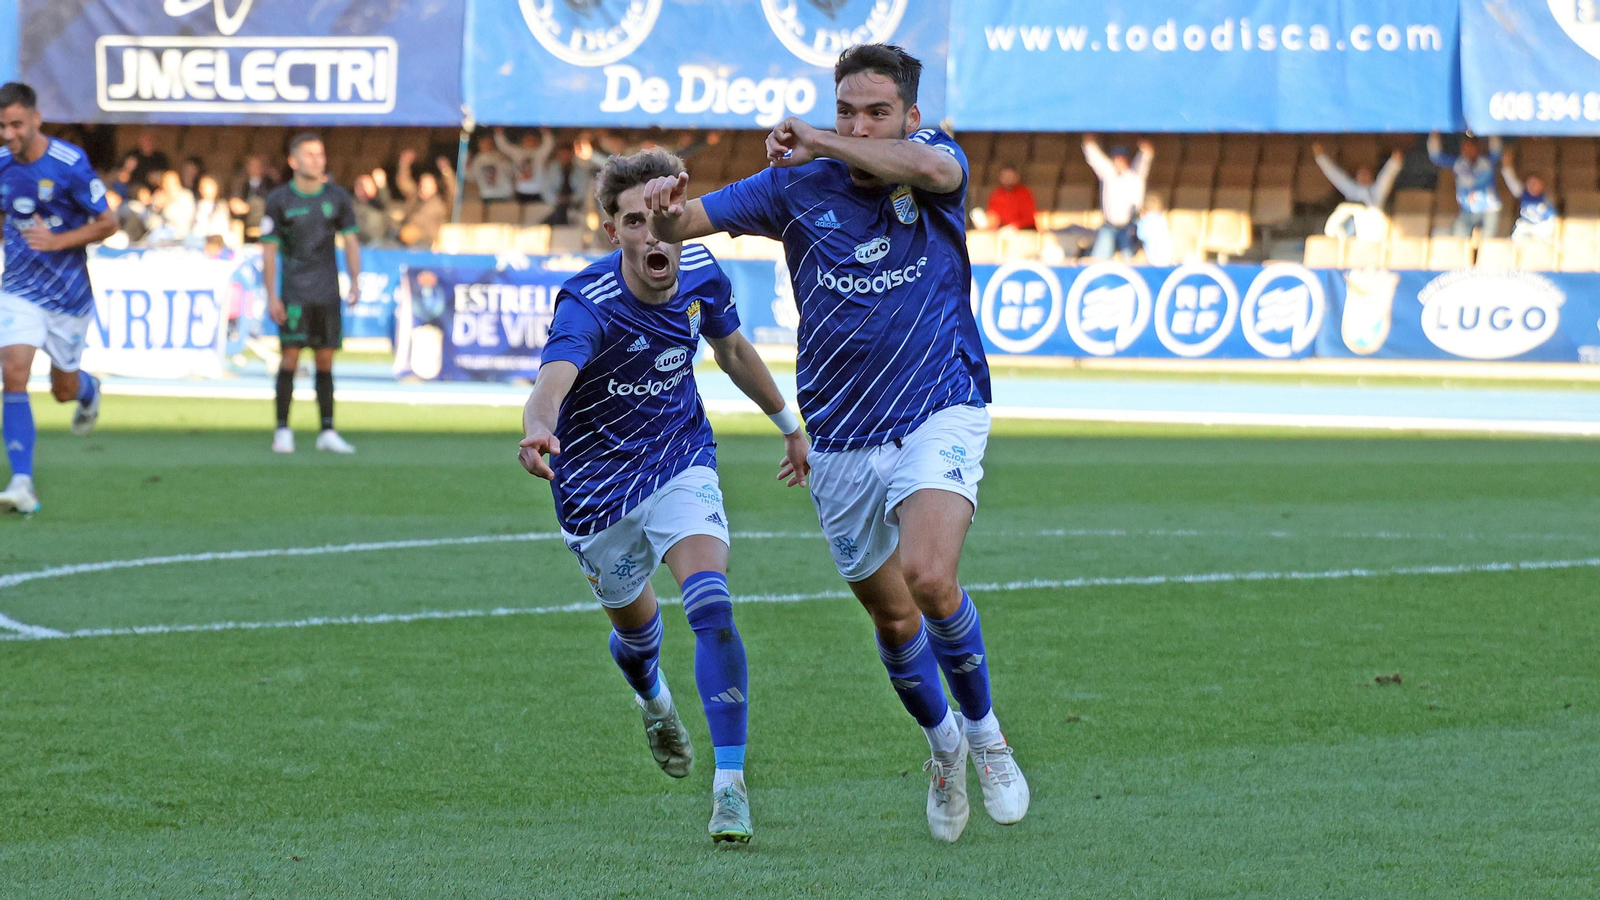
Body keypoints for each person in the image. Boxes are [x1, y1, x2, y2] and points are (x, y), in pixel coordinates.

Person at [642, 43, 1029, 843]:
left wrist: (821, 136)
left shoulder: (937, 160)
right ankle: (944, 746)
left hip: (938, 404)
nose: (858, 123)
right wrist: (661, 203)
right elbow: (687, 224)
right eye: (846, 108)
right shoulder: (793, 187)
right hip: (841, 437)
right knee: (893, 623)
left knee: (929, 574)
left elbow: (932, 173)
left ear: (911, 118)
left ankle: (987, 733)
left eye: (875, 112)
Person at [518, 148, 808, 844]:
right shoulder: (588, 302)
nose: (653, 235)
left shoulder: (703, 270)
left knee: (710, 601)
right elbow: (554, 379)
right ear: (612, 231)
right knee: (637, 634)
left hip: (679, 460)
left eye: (661, 218)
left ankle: (731, 786)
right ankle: (653, 697)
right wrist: (536, 429)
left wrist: (789, 426)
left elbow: (733, 350)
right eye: (633, 222)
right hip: (594, 491)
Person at [0, 82, 118, 514]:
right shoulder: (0, 165)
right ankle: (22, 482)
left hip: (67, 295)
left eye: (16, 125)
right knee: (13, 372)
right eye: (1, 126)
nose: (9, 135)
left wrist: (59, 241)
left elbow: (108, 222)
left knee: (62, 390)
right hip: (18, 288)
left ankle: (88, 389)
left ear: (35, 118)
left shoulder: (70, 164)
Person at [260, 133, 361, 455]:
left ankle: (327, 430)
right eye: (310, 154)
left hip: (327, 292)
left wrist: (355, 281)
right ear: (294, 161)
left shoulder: (337, 196)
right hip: (294, 294)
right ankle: (282, 430)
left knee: (325, 361)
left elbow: (351, 240)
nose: (318, 159)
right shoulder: (278, 200)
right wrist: (272, 296)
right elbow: (269, 251)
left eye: (321, 154)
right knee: (290, 358)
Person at [1313, 144, 1402, 242]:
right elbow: (1336, 176)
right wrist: (1320, 157)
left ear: (1372, 177)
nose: (1363, 176)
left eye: (1366, 174)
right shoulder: (1352, 189)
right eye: (1361, 174)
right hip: (1349, 230)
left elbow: (1386, 178)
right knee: (1343, 211)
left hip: (1371, 231)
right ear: (1356, 177)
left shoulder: (1376, 191)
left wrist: (1395, 161)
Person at [1084, 134, 1153, 259]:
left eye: (1121, 158)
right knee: (1098, 260)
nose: (1118, 161)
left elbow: (1145, 157)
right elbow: (1095, 158)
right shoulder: (1108, 173)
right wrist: (1089, 144)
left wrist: (1144, 146)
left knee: (1129, 260)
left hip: (1129, 226)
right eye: (1116, 158)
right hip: (1109, 226)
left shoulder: (1135, 175)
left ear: (1127, 160)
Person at [1427, 133, 1504, 238]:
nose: (1466, 151)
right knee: (1459, 236)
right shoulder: (1458, 163)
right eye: (1464, 148)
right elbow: (1436, 157)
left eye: (1470, 148)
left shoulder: (1487, 162)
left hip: (1488, 208)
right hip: (1467, 210)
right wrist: (1434, 134)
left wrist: (1490, 130)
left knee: (1488, 241)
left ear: (1477, 148)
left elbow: (1497, 151)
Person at [395, 149, 454, 248]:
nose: (424, 186)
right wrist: (404, 163)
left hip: (425, 240)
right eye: (423, 183)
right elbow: (403, 182)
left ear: (435, 186)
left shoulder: (441, 202)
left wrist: (446, 170)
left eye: (428, 183)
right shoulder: (414, 196)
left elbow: (453, 191)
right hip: (405, 236)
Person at [1500, 149, 1557, 243]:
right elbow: (1511, 180)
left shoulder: (1545, 201)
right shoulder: (1523, 195)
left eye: (1535, 184)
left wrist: (1534, 229)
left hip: (1539, 234)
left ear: (1542, 185)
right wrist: (1506, 165)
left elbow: (1551, 222)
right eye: (1530, 183)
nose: (1532, 186)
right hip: (1523, 232)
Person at [495, 126, 556, 212]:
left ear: (537, 142)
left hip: (536, 191)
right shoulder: (517, 153)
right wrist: (499, 134)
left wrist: (546, 133)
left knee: (535, 215)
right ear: (523, 141)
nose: (530, 142)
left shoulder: (539, 154)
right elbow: (504, 146)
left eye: (532, 140)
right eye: (527, 140)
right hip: (520, 190)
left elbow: (548, 144)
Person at [979, 166, 1036, 231]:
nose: (1007, 179)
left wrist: (1015, 226)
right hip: (1002, 229)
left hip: (1023, 230)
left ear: (1017, 177)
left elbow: (1028, 218)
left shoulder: (1025, 193)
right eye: (1005, 176)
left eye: (1010, 176)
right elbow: (993, 215)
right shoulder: (996, 194)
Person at [191, 175, 234, 245]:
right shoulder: (198, 205)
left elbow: (221, 227)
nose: (204, 190)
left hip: (217, 239)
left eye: (207, 187)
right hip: (199, 238)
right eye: (202, 187)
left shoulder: (222, 205)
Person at [1136, 193, 1174, 266]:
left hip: (1153, 258)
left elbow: (1140, 235)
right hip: (1167, 257)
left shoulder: (1146, 220)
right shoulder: (1163, 219)